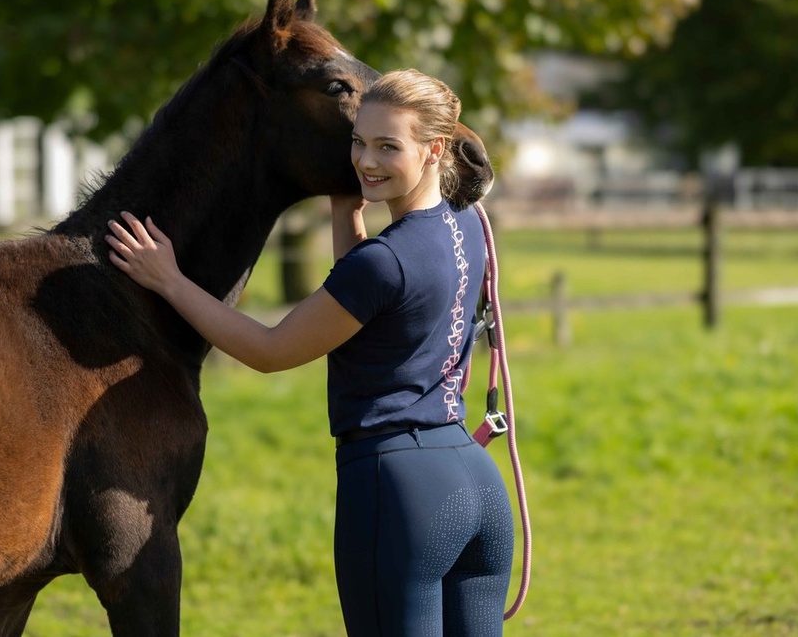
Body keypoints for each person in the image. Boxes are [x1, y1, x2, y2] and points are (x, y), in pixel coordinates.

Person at [106, 68, 514, 636]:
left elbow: (270, 350)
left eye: (387, 146)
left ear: (434, 149)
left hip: (401, 491)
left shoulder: (383, 262)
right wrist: (348, 212)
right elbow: (376, 302)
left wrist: (170, 281)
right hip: (475, 482)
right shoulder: (466, 226)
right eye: (358, 142)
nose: (365, 160)